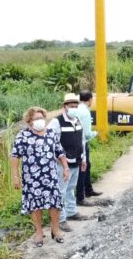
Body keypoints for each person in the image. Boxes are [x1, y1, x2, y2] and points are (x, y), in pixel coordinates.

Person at [11, 107, 69, 247]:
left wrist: (66, 167)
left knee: (54, 203)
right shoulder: (23, 136)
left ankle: (55, 230)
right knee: (35, 205)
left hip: (50, 176)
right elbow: (15, 156)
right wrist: (15, 176)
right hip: (32, 178)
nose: (40, 121)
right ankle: (38, 232)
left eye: (41, 118)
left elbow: (60, 152)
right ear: (29, 121)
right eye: (36, 118)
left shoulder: (51, 133)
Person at [48, 95, 88, 229]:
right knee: (61, 191)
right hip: (62, 164)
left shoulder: (78, 120)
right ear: (64, 107)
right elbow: (51, 143)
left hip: (76, 160)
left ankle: (71, 212)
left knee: (71, 188)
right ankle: (61, 219)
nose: (74, 109)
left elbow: (82, 140)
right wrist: (58, 160)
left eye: (76, 107)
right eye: (71, 107)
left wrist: (83, 159)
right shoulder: (56, 122)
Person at [70, 90, 103, 207]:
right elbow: (87, 133)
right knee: (83, 168)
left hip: (73, 143)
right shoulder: (86, 112)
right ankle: (81, 196)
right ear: (90, 100)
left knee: (86, 167)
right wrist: (96, 133)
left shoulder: (76, 110)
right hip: (82, 143)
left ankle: (88, 190)